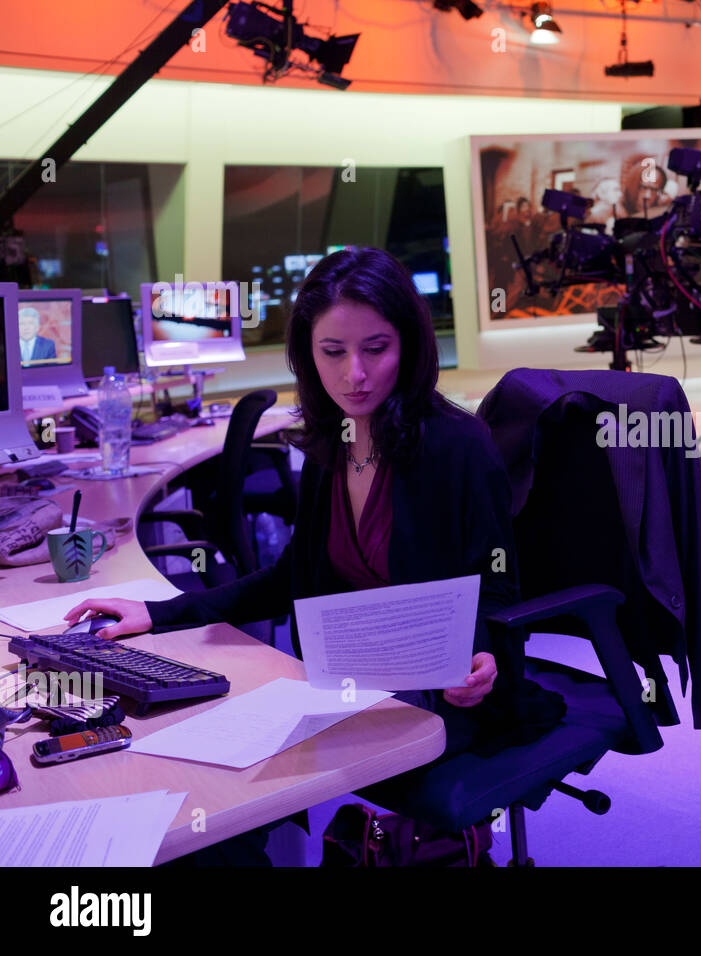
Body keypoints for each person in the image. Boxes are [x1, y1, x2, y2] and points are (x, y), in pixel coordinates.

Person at [64, 246, 557, 763]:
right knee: (175, 740)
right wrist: (158, 612)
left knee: (246, 763)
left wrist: (481, 656)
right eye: (333, 351)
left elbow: (496, 584)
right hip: (347, 679)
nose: (355, 375)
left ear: (408, 345)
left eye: (376, 348)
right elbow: (289, 578)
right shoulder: (333, 442)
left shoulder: (459, 448)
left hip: (439, 696)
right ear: (309, 353)